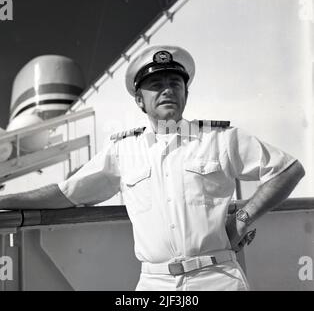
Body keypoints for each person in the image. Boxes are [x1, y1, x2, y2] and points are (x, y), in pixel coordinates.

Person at [0, 45, 305, 291]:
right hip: (154, 283)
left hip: (218, 278)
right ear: (140, 102)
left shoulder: (221, 139)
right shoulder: (123, 151)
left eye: (175, 83)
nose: (167, 90)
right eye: (155, 85)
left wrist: (242, 219)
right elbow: (66, 195)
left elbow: (288, 170)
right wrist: (4, 201)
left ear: (185, 92)